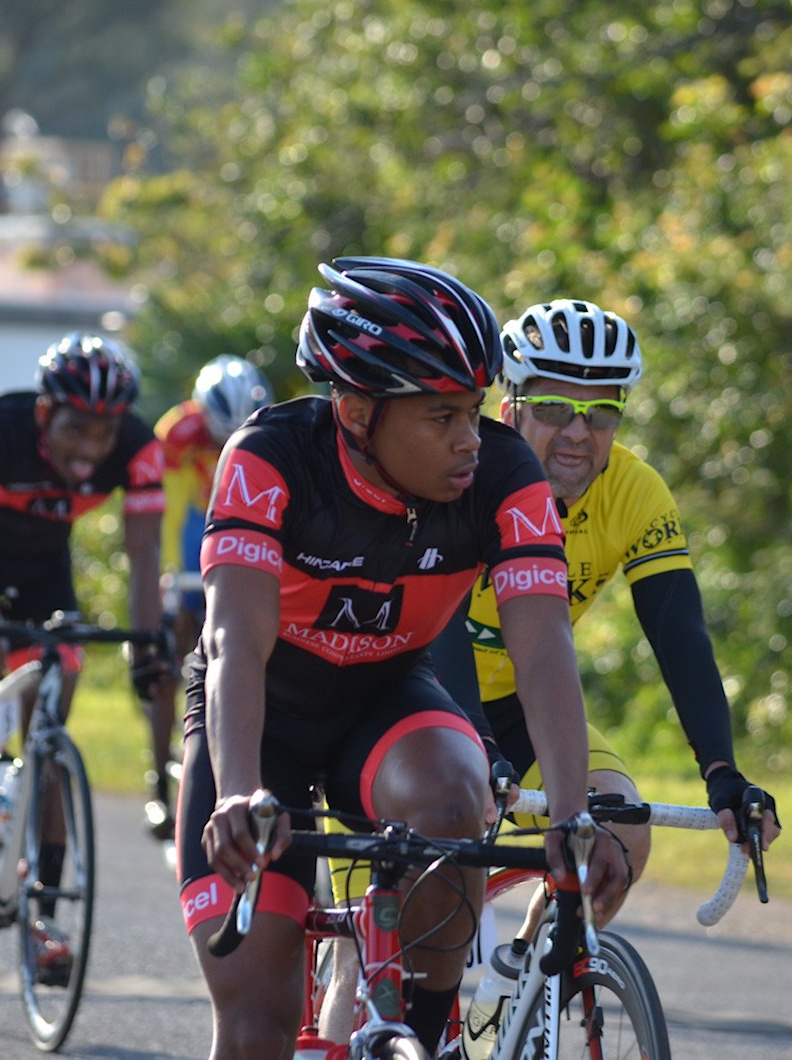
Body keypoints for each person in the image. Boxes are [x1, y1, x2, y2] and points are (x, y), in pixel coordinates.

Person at [177, 257, 626, 1057]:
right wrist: (239, 791)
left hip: (382, 702)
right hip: (259, 718)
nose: (469, 441)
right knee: (257, 1022)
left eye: (476, 411)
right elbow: (231, 641)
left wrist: (569, 813)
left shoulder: (504, 473)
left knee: (456, 801)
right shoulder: (269, 459)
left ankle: (420, 1034)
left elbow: (544, 646)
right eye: (441, 417)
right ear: (355, 412)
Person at [318, 299, 783, 1042]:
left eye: (601, 412)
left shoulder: (633, 491)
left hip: (523, 709)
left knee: (620, 835)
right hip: (403, 701)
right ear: (511, 404)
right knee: (371, 956)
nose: (578, 431)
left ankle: (514, 980)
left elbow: (680, 635)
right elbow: (435, 632)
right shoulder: (462, 471)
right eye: (556, 405)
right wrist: (475, 745)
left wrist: (722, 771)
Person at [0, 331, 166, 979]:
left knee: (49, 733)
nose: (90, 449)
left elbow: (143, 561)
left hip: (47, 572)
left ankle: (44, 913)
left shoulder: (138, 449)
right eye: (77, 430)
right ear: (46, 414)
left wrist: (146, 651)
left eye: (102, 435)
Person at [146, 354, 274, 838]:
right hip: (195, 525)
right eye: (220, 436)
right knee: (168, 649)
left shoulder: (266, 425)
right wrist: (169, 577)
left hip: (240, 523)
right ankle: (158, 784)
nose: (226, 445)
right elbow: (170, 510)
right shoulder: (177, 433)